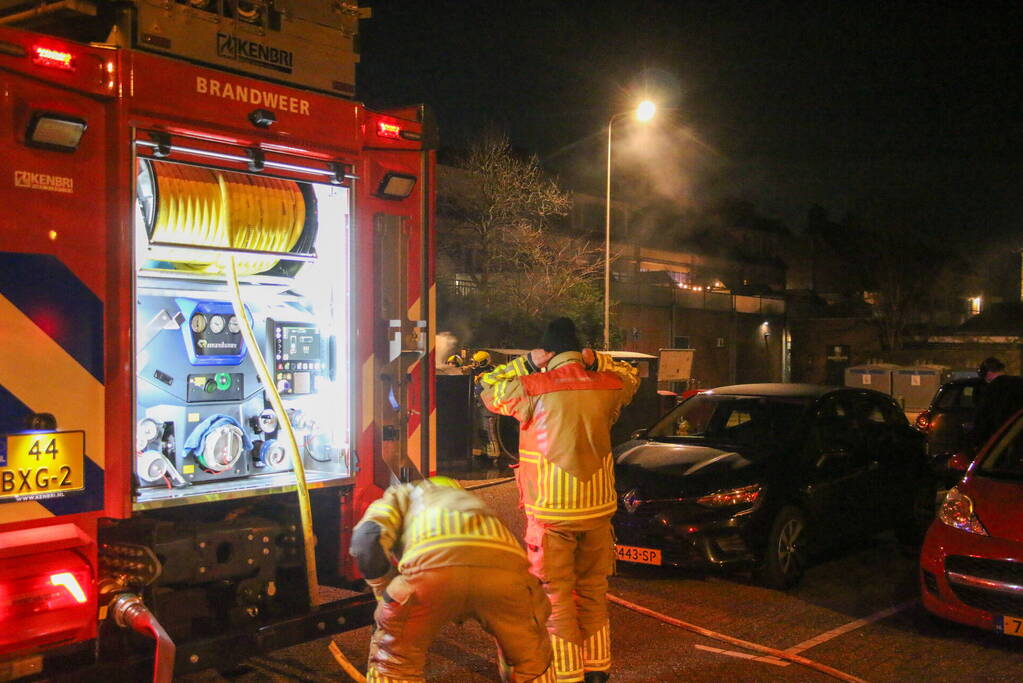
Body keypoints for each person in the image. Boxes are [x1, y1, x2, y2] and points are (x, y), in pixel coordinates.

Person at [479, 318, 639, 683]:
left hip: (552, 509)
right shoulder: (609, 383)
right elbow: (632, 376)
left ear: (547, 353)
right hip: (598, 507)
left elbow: (488, 389)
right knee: (594, 589)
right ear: (579, 351)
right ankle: (598, 669)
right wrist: (596, 359)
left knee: (555, 595)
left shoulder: (532, 385)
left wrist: (526, 363)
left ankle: (566, 674)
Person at [350, 477, 555, 683]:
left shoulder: (402, 496)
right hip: (505, 577)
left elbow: (366, 539)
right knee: (530, 660)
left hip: (431, 573)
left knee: (394, 662)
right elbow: (534, 599)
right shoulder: (478, 509)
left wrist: (385, 596)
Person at [968, 357, 1023, 450]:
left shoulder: (991, 389)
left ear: (988, 373)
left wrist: (976, 440)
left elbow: (982, 417)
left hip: (998, 438)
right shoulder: (1019, 383)